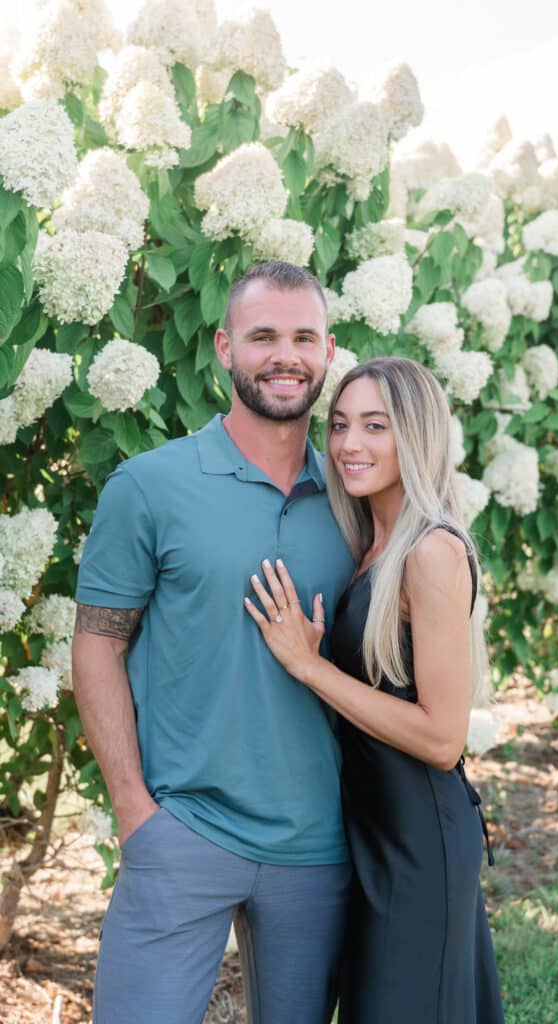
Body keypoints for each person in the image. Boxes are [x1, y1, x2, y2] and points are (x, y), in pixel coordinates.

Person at [72, 262, 356, 1024]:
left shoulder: (356, 501)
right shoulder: (148, 486)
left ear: (329, 351)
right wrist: (134, 807)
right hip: (183, 829)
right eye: (263, 336)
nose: (284, 355)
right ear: (226, 347)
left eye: (303, 337)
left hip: (317, 843)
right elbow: (97, 642)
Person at [245, 355, 506, 1023]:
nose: (348, 445)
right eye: (337, 425)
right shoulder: (368, 543)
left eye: (374, 426)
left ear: (415, 435)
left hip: (417, 836)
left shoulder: (431, 552)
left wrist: (312, 667)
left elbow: (444, 738)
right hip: (366, 828)